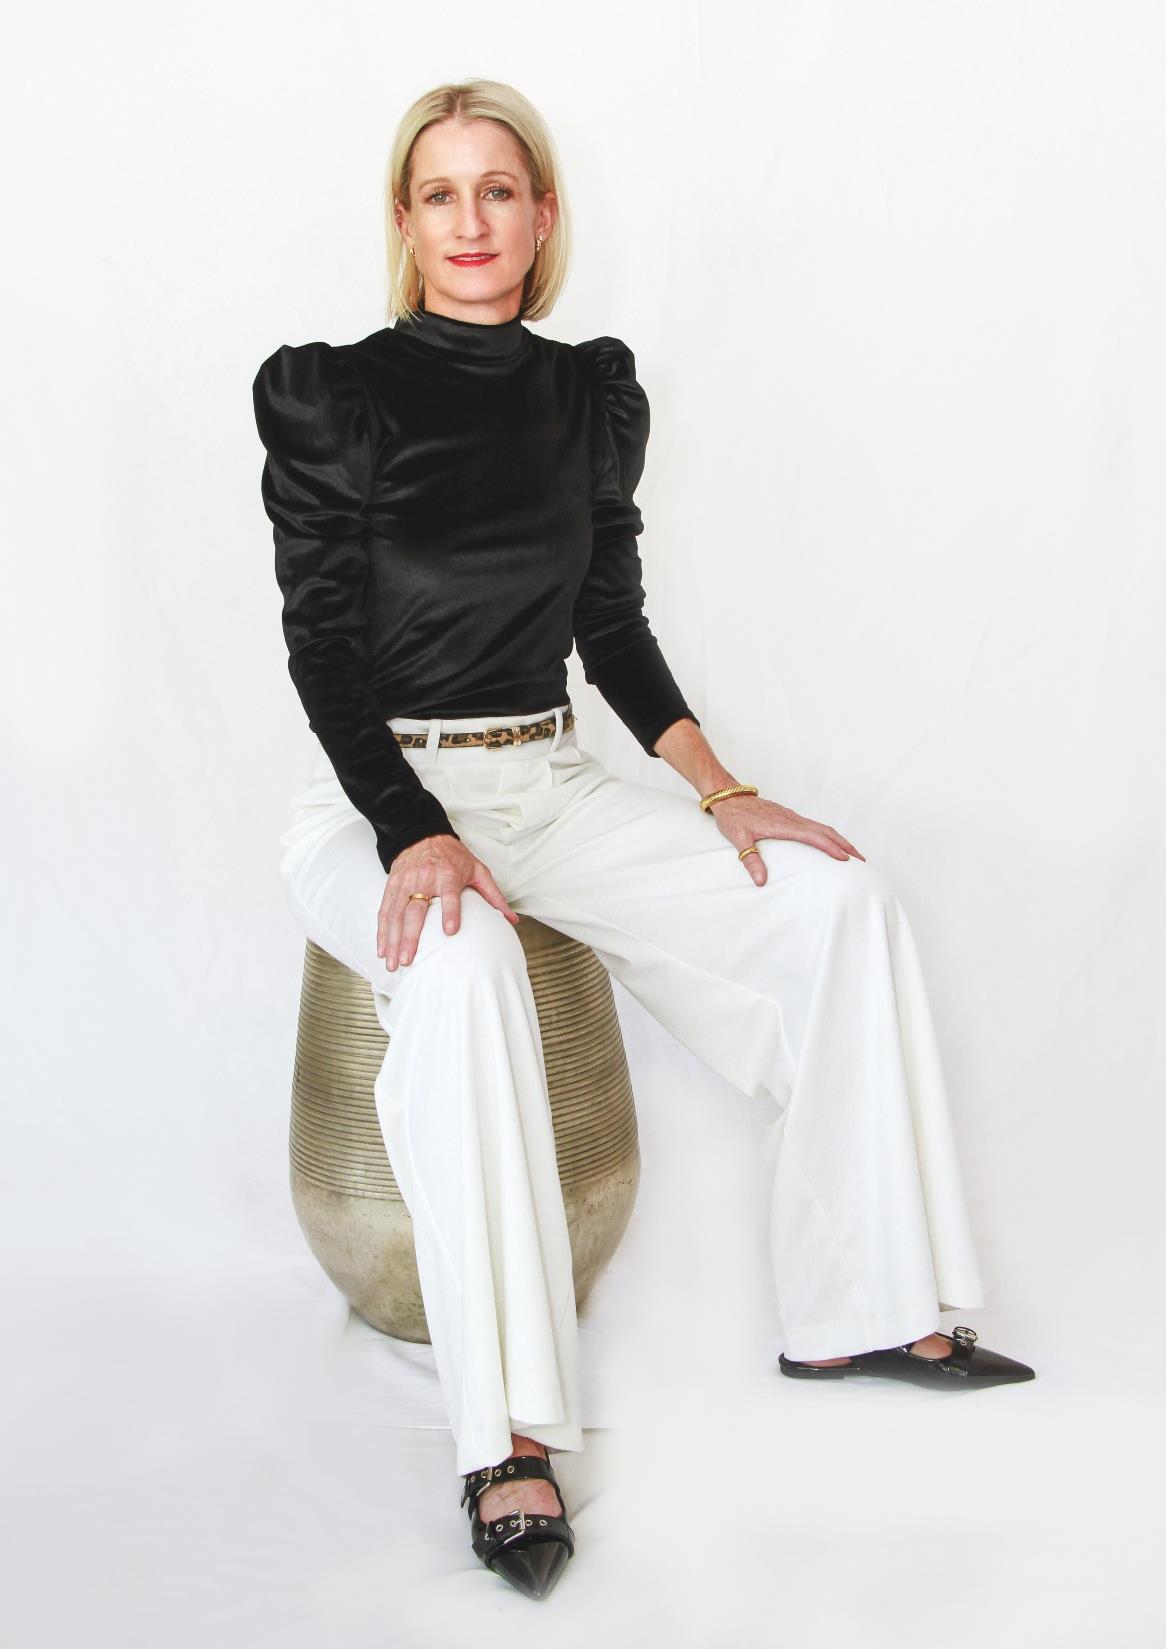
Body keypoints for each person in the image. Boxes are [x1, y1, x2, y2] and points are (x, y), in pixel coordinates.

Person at [252, 78, 1035, 1602]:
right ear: (404, 221)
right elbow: (322, 652)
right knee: (464, 966)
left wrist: (721, 790)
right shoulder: (332, 396)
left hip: (548, 780)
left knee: (833, 898)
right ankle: (505, 1440)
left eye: (498, 189)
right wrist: (413, 832)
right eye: (438, 193)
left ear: (542, 214)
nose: (470, 220)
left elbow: (607, 623)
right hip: (377, 792)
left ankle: (862, 1307)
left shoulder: (588, 394)